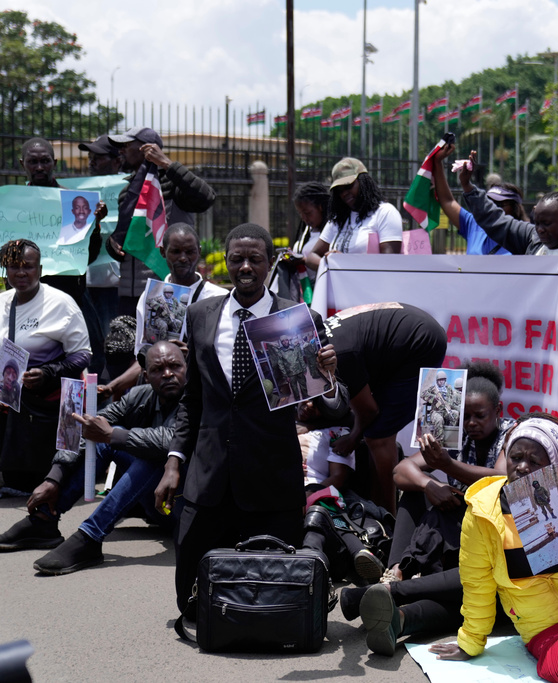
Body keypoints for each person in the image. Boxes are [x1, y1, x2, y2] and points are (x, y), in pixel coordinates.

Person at [153, 223, 338, 625]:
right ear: (226, 263)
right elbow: (193, 399)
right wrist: (173, 461)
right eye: (237, 258)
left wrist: (329, 380)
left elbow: (333, 410)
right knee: (190, 599)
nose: (246, 267)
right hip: (209, 478)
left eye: (255, 258)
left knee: (275, 598)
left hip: (270, 480)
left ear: (270, 263)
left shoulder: (297, 319)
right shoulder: (201, 315)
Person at [337, 362, 514, 651]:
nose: (471, 424)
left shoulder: (512, 435)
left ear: (499, 411)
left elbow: (501, 478)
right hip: (460, 534)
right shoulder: (454, 431)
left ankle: (391, 601)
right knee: (416, 490)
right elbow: (400, 470)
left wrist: (447, 465)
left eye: (480, 416)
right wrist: (428, 484)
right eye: (465, 416)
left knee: (474, 590)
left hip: (490, 542)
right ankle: (396, 571)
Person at [426, 416, 558, 683]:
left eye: (534, 461)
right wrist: (470, 643)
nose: (522, 467)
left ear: (552, 466)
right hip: (547, 631)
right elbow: (477, 585)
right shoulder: (482, 515)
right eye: (515, 457)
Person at [0, 342, 187, 575]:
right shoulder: (140, 396)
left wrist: (113, 435)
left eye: (175, 366)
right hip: (152, 503)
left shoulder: (198, 400)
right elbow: (87, 428)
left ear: (186, 367)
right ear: (146, 376)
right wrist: (53, 478)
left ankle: (90, 536)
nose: (168, 374)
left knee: (150, 454)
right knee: (102, 434)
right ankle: (44, 520)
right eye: (159, 369)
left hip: (179, 508)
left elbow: (170, 440)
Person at [322, 302, 447, 514]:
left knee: (377, 438)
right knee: (373, 433)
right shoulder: (327, 342)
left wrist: (353, 438)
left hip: (421, 342)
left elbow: (369, 411)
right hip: (406, 333)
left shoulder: (338, 358)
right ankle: (378, 503)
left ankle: (389, 519)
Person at [0, 240, 91, 493]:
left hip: (48, 402)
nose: (20, 273)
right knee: (15, 480)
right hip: (9, 400)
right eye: (13, 267)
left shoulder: (61, 304)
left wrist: (48, 372)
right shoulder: (2, 303)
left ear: (39, 269)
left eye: (27, 267)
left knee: (36, 481)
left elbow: (83, 355)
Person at [100, 223, 226, 402]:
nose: (183, 258)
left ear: (198, 252)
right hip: (162, 397)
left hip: (205, 394)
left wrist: (194, 356)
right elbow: (144, 358)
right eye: (176, 251)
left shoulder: (219, 298)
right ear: (162, 252)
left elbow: (228, 354)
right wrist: (113, 386)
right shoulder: (150, 296)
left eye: (189, 252)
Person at [107, 127, 217, 316]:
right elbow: (125, 239)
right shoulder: (127, 192)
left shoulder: (173, 184)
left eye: (126, 145)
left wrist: (166, 163)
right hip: (128, 293)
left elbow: (207, 197)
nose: (121, 151)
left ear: (146, 148)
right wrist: (112, 244)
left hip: (166, 292)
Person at [20, 138, 105, 373]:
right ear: (22, 164)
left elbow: (87, 258)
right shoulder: (11, 206)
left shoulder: (75, 204)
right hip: (26, 297)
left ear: (54, 162)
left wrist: (94, 226)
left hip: (71, 294)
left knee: (90, 357)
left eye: (45, 161)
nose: (39, 167)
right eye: (33, 161)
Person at [459, 151, 558, 262]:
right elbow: (496, 220)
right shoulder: (532, 238)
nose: (540, 229)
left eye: (547, 223)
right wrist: (468, 187)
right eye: (537, 223)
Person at [306, 158, 402, 264]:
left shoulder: (385, 213)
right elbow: (312, 256)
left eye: (348, 186)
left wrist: (346, 262)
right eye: (339, 190)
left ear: (364, 181)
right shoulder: (338, 219)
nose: (344, 193)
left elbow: (389, 262)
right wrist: (330, 264)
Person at [79, 134, 124, 363]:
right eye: (90, 156)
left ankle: (111, 393)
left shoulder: (130, 191)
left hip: (113, 284)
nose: (91, 162)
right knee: (90, 349)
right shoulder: (77, 192)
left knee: (112, 348)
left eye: (98, 157)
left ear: (117, 161)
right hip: (84, 282)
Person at [431, 143, 515, 255]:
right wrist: (437, 162)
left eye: (501, 203)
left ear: (515, 208)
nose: (495, 207)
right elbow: (447, 201)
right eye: (491, 201)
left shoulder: (522, 235)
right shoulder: (473, 224)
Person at [420, 370, 457, 441]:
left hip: (445, 410)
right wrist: (433, 397)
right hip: (435, 412)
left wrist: (448, 403)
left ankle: (448, 436)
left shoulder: (448, 389)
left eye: (443, 380)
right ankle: (439, 440)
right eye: (439, 380)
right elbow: (423, 394)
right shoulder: (434, 388)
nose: (441, 382)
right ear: (437, 381)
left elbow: (452, 399)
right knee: (439, 419)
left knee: (455, 414)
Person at [270, 335, 308, 401]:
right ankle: (298, 400)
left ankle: (306, 397)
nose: (285, 342)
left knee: (303, 385)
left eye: (286, 340)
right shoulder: (280, 352)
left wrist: (304, 368)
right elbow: (280, 365)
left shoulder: (295, 348)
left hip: (300, 371)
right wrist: (285, 376)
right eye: (283, 341)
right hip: (290, 374)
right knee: (294, 388)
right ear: (281, 342)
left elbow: (300, 358)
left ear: (288, 340)